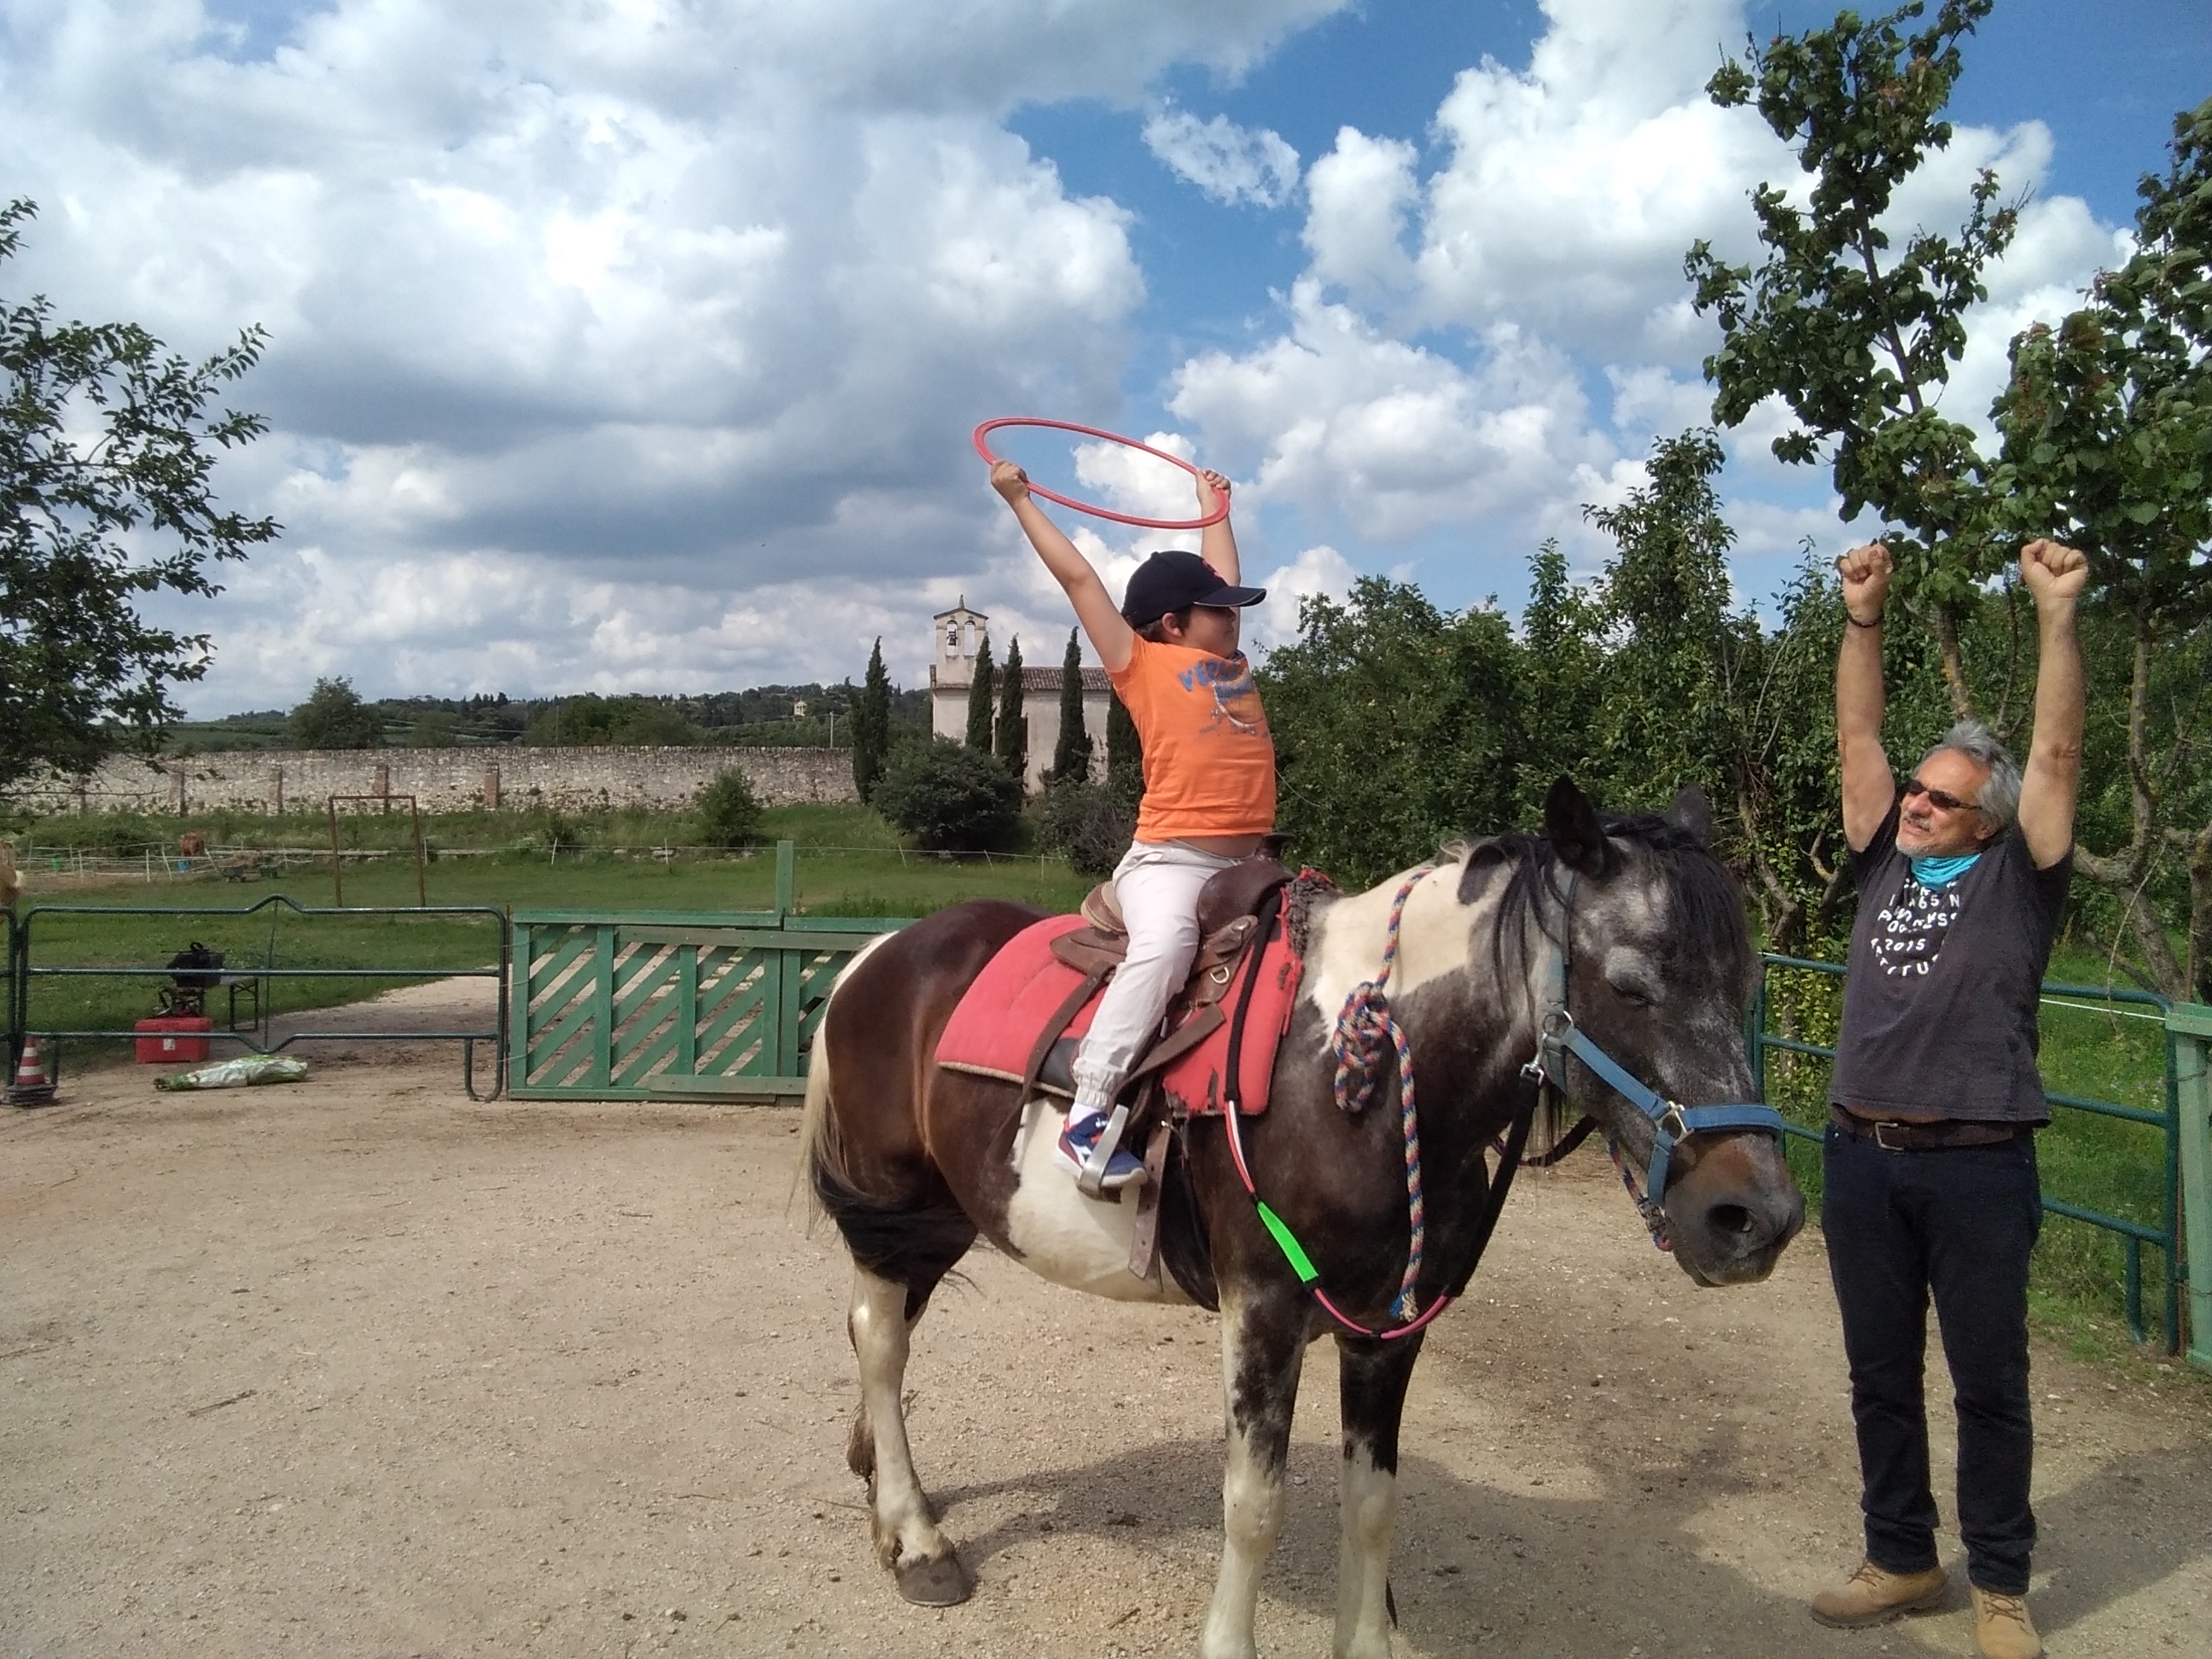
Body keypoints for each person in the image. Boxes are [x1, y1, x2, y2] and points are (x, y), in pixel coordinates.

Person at [1813, 538, 2087, 1659]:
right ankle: (1901, 1556)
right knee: (1879, 1374)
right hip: (1860, 1155)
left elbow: (2056, 753)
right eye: (1918, 789)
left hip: (1978, 1161)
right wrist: (1863, 617)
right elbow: (1858, 738)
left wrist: (2057, 616)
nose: (1918, 805)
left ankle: (2003, 1589)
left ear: (1988, 820)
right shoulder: (1883, 856)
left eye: (1943, 798)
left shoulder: (2022, 876)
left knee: (1989, 1384)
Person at [988, 457, 1272, 1191]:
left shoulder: (1229, 659)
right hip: (1171, 863)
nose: (1233, 618)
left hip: (1249, 866)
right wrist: (1020, 499)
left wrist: (1210, 505)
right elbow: (1080, 580)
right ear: (1174, 623)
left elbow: (1220, 571)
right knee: (1166, 945)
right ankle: (1086, 1115)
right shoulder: (1140, 663)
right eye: (1219, 610)